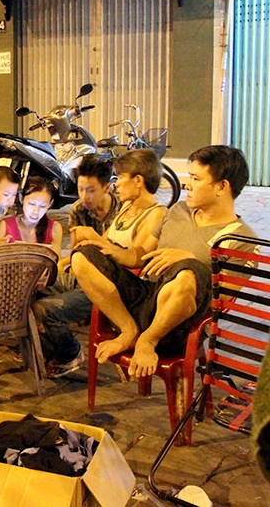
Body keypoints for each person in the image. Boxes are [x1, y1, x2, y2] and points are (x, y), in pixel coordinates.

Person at [72, 145, 257, 377]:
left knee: (188, 271)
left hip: (178, 325)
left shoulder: (241, 238)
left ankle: (148, 340)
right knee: (84, 256)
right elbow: (141, 254)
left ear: (222, 187)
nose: (188, 185)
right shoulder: (179, 210)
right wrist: (109, 250)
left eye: (196, 179)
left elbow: (223, 300)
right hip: (146, 300)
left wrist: (188, 260)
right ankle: (129, 330)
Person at [34, 149, 167, 378]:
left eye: (121, 177)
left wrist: (93, 240)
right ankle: (39, 346)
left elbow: (139, 258)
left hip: (113, 288)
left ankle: (70, 353)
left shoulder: (156, 213)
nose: (117, 184)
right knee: (32, 283)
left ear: (138, 181)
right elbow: (101, 246)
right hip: (92, 274)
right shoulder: (126, 209)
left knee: (44, 309)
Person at [58, 155, 122, 270]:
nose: (84, 196)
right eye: (80, 189)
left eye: (91, 190)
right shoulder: (78, 210)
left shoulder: (122, 208)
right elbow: (74, 251)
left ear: (106, 188)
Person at [0, 176, 63, 256]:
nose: (36, 211)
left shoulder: (54, 228)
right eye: (31, 204)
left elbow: (57, 261)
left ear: (50, 204)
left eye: (42, 206)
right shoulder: (5, 226)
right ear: (21, 198)